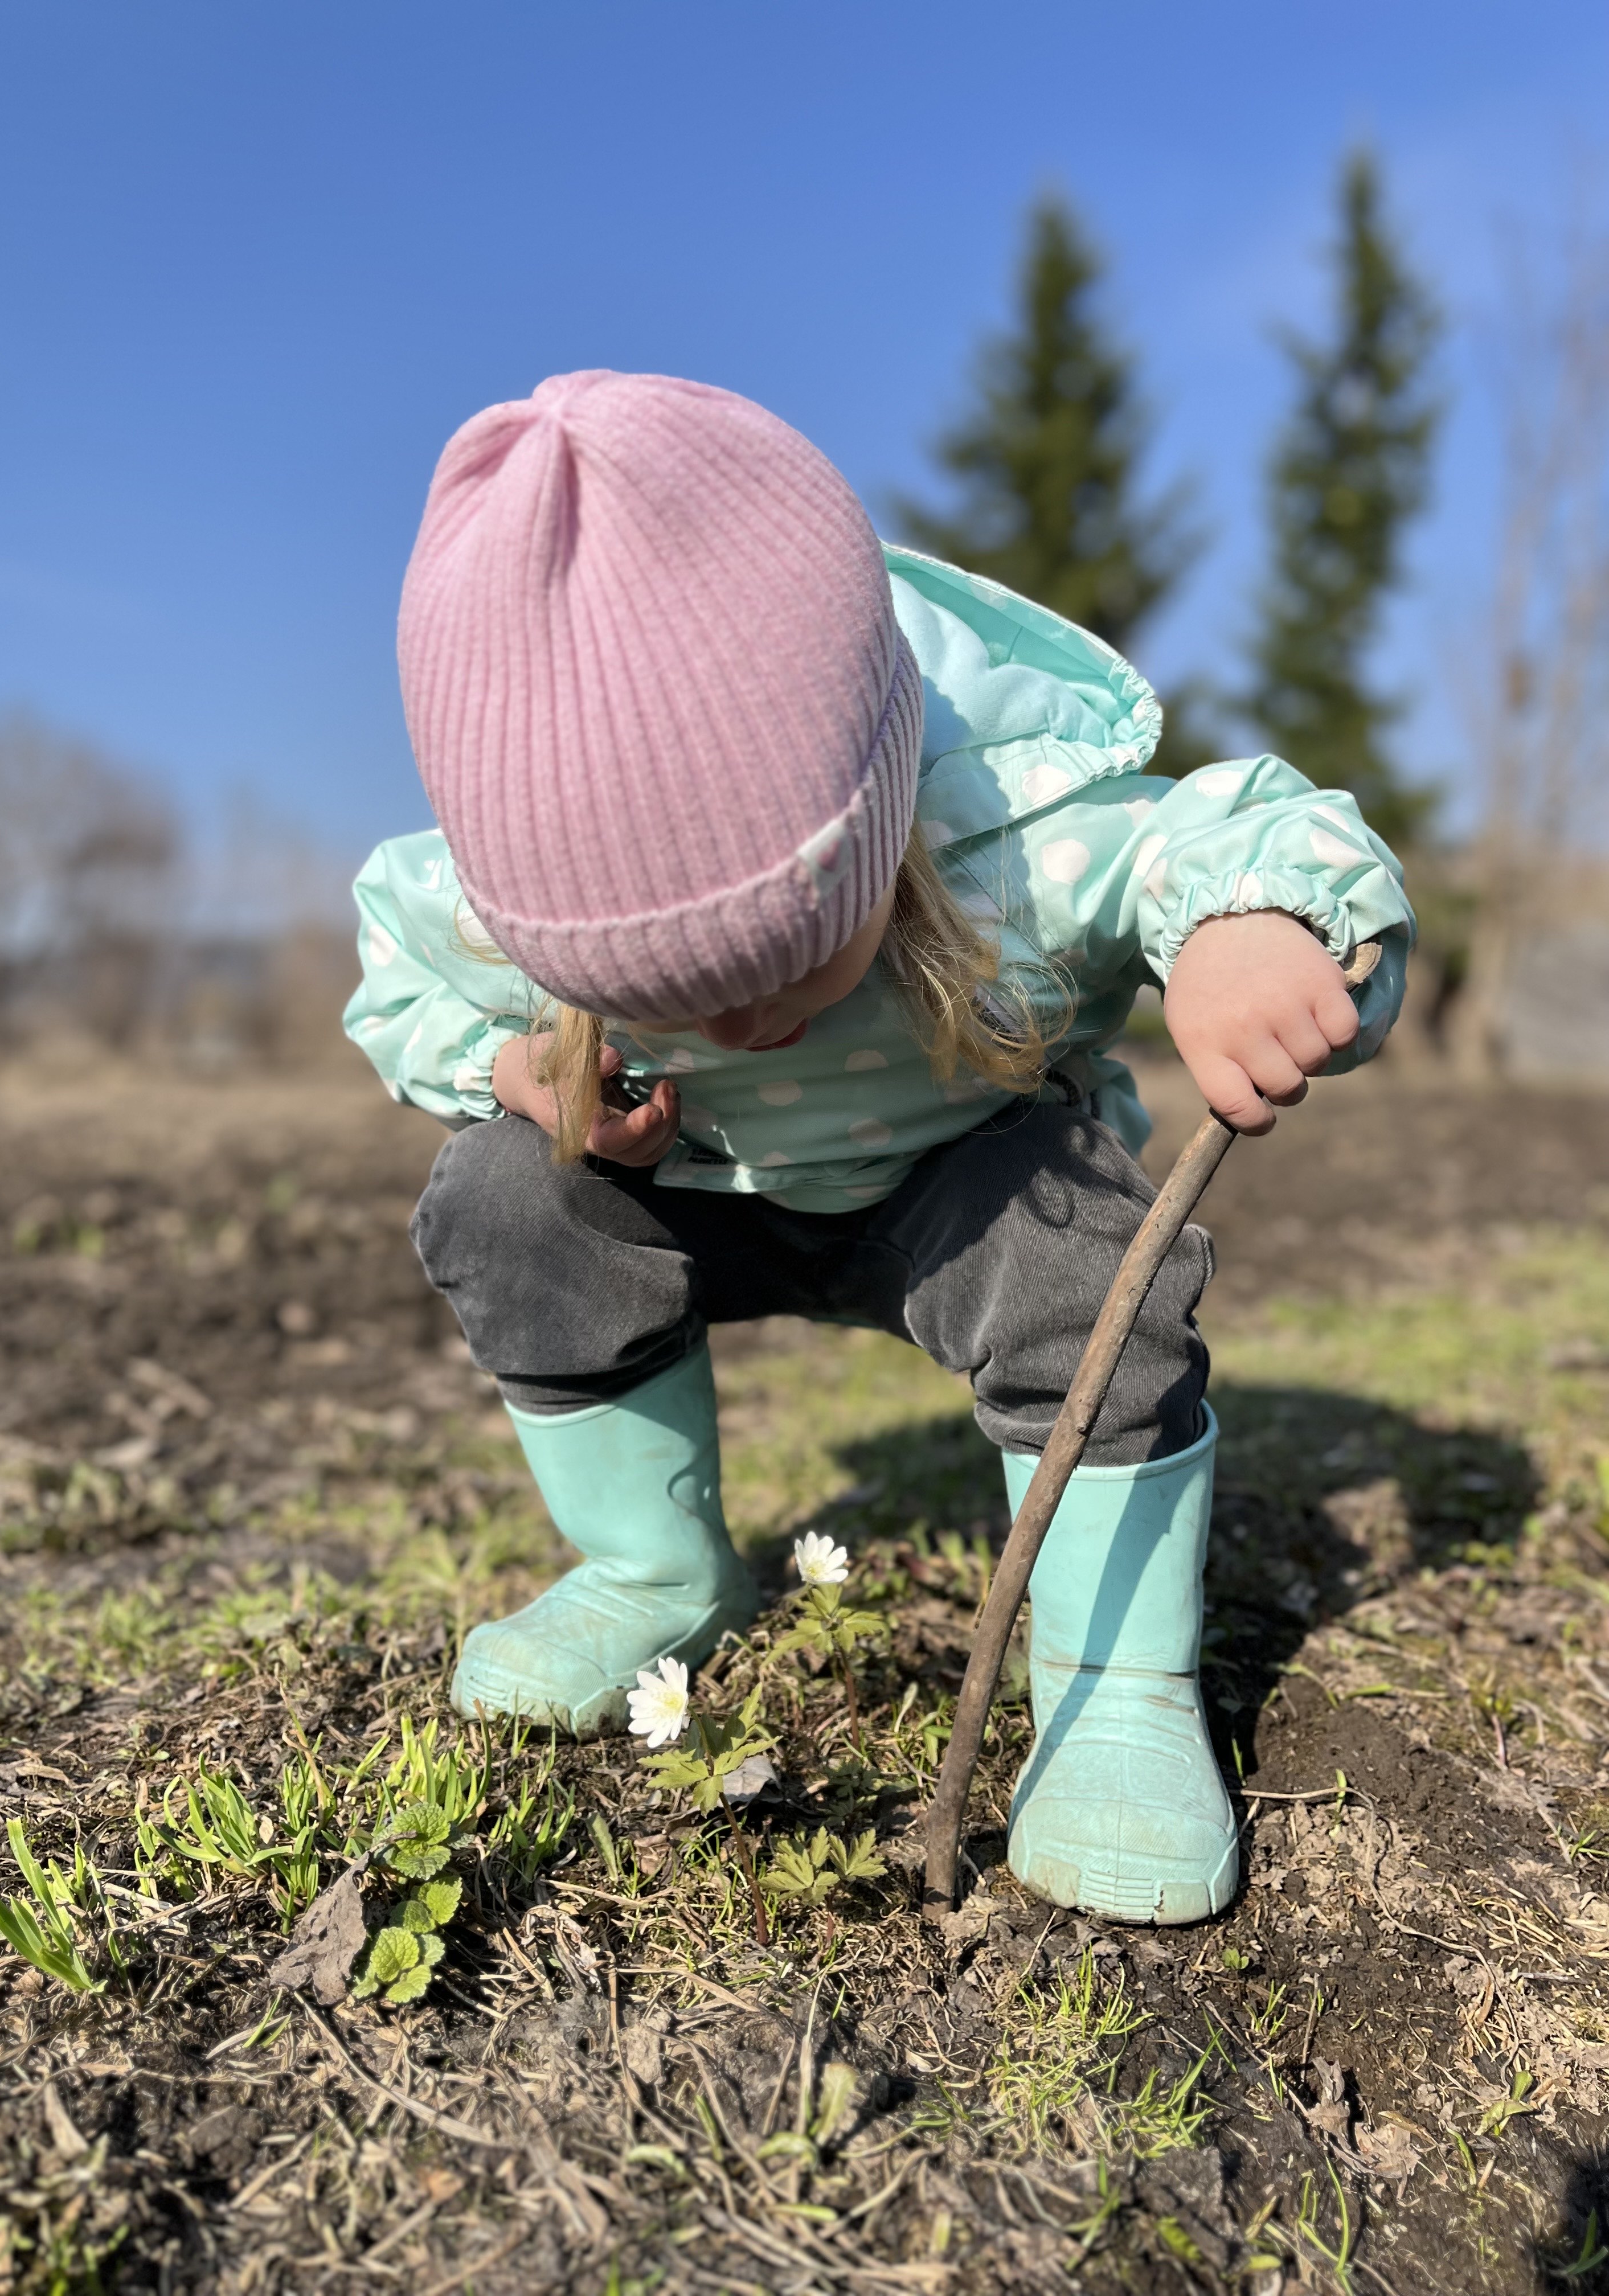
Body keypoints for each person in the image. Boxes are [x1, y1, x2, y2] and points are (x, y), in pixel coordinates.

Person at [345, 370, 1413, 1926]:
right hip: (699, 1197)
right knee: (509, 1199)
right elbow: (395, 989)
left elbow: (1238, 829)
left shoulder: (1010, 836)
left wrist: (1263, 929)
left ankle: (1113, 1685)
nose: (745, 1025)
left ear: (882, 797)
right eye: (667, 996)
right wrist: (513, 1065)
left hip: (961, 1189)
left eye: (785, 959)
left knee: (1078, 1258)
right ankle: (654, 1572)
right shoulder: (484, 900)